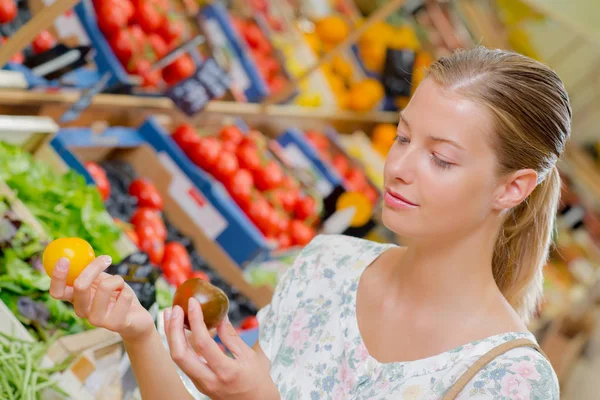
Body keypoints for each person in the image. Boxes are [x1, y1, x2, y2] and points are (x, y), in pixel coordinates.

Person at [49, 46, 570, 399]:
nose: (399, 168)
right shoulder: (327, 267)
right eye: (404, 137)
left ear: (512, 187)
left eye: (443, 159)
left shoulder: (509, 381)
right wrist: (139, 333)